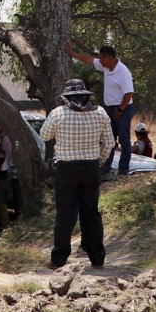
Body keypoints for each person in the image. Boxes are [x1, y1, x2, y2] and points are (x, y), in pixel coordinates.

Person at [41, 78, 115, 269]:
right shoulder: (100, 112)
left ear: (66, 97)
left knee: (65, 214)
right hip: (90, 167)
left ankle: (59, 259)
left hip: (66, 168)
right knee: (91, 213)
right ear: (85, 96)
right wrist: (99, 161)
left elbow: (44, 135)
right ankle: (97, 258)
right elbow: (109, 143)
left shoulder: (58, 113)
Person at [66, 43, 135, 177]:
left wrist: (120, 110)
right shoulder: (106, 66)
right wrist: (73, 54)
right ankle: (105, 168)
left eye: (102, 58)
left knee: (124, 139)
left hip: (123, 108)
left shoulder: (123, 72)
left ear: (110, 58)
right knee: (108, 139)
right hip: (110, 108)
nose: (100, 61)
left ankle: (123, 169)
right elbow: (89, 60)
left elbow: (128, 93)